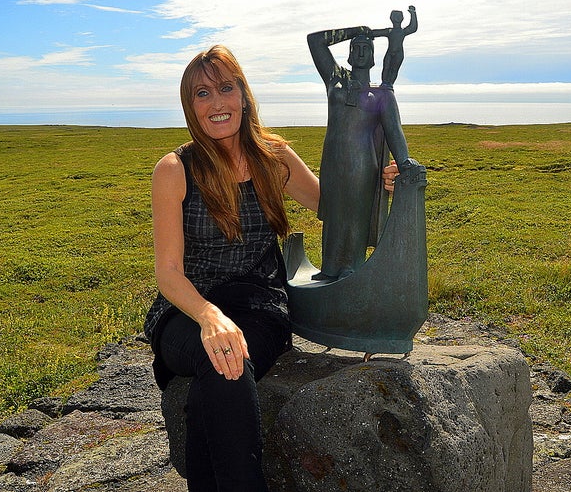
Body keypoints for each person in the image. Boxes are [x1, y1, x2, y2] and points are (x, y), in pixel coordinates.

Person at [142, 45, 320, 491]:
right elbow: (167, 272)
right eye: (203, 93)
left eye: (226, 87)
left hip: (260, 307)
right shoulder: (174, 169)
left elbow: (335, 207)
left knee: (225, 370)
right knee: (218, 354)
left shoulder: (274, 158)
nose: (217, 102)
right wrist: (209, 317)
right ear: (191, 106)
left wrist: (376, 178)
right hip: (186, 309)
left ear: (243, 93)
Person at [307, 25, 412, 280]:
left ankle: (351, 266)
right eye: (357, 48)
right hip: (333, 161)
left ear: (375, 58)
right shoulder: (336, 80)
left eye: (367, 49)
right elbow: (315, 41)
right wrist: (360, 31)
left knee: (355, 215)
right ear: (350, 55)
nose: (361, 52)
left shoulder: (381, 95)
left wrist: (405, 162)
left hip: (363, 164)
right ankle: (330, 266)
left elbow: (394, 132)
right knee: (334, 215)